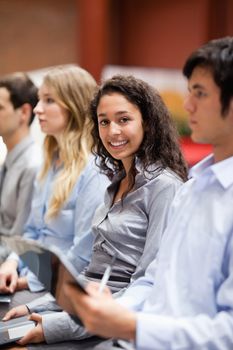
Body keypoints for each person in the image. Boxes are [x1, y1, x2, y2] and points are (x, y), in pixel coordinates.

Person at [60, 36, 233, 350]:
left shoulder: (170, 187)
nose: (188, 105)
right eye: (104, 122)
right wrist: (111, 312)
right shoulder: (194, 189)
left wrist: (132, 325)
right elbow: (154, 279)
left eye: (200, 93)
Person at [3, 74, 188, 345]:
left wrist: (57, 325)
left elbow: (145, 286)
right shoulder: (115, 181)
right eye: (104, 122)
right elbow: (91, 274)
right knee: (11, 325)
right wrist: (40, 308)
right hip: (85, 309)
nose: (112, 131)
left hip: (115, 320)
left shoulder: (164, 187)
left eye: (123, 120)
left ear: (147, 122)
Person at [0, 64, 109, 294]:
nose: (38, 109)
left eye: (49, 100)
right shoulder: (50, 163)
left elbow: (83, 253)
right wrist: (11, 264)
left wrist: (29, 282)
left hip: (60, 289)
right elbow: (31, 232)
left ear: (74, 105)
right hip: (32, 278)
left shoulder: (94, 169)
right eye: (40, 100)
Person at [0, 72, 41, 262]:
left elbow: (20, 240)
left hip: (12, 264)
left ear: (24, 112)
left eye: (0, 108)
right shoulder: (8, 161)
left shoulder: (33, 165)